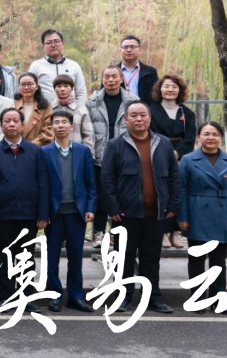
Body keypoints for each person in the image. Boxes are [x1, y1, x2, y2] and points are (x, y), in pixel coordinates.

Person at [101, 100, 181, 314]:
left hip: (156, 214)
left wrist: (173, 204)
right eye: (134, 115)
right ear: (126, 119)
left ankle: (154, 298)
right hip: (125, 215)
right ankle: (123, 297)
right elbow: (107, 179)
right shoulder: (115, 145)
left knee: (151, 259)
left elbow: (174, 176)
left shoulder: (163, 143)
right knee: (123, 258)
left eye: (143, 115)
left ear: (149, 118)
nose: (139, 119)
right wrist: (112, 207)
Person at [178, 121, 227, 315]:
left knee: (218, 262)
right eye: (206, 134)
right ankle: (198, 300)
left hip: (223, 216)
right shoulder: (188, 160)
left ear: (221, 138)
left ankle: (217, 300)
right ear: (198, 137)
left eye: (215, 134)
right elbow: (181, 191)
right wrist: (182, 216)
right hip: (196, 214)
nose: (210, 138)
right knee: (196, 260)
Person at [0, 108, 49, 312]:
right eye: (7, 121)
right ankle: (5, 297)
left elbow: (43, 183)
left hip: (29, 214)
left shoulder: (35, 151)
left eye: (16, 121)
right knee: (5, 257)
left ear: (22, 126)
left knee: (27, 257)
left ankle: (27, 297)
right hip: (4, 215)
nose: (12, 124)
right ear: (1, 125)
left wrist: (42, 214)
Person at [42, 110, 96, 313]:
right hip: (53, 214)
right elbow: (41, 185)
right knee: (52, 257)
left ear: (72, 126)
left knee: (76, 256)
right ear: (51, 127)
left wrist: (90, 207)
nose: (61, 125)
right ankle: (54, 295)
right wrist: (43, 213)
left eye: (64, 122)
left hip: (76, 213)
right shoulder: (44, 152)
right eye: (56, 122)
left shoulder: (83, 151)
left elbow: (91, 183)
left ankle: (76, 296)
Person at [87, 65, 139, 248]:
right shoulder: (92, 102)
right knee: (102, 196)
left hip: (124, 155)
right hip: (100, 155)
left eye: (114, 76)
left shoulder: (132, 101)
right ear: (102, 79)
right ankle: (99, 234)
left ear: (121, 79)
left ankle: (119, 234)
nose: (110, 80)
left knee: (122, 195)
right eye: (107, 76)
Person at [149, 72, 197, 250]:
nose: (170, 90)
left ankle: (175, 232)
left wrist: (178, 153)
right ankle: (161, 232)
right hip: (157, 154)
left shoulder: (187, 113)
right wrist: (167, 153)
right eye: (166, 86)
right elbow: (151, 133)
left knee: (178, 192)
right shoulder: (151, 110)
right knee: (160, 193)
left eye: (174, 87)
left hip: (181, 157)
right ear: (160, 89)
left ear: (180, 90)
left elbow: (190, 136)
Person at [28, 29, 87, 105]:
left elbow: (81, 93)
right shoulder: (36, 66)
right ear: (43, 46)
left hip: (71, 110)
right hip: (46, 110)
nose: (53, 45)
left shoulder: (74, 65)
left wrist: (79, 109)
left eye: (56, 41)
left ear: (62, 44)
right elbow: (30, 92)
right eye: (49, 43)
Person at [51, 75, 94, 148]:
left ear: (72, 89)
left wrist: (88, 152)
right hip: (53, 152)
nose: (62, 89)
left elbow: (88, 134)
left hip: (77, 151)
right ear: (54, 89)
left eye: (66, 86)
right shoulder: (49, 109)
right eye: (59, 86)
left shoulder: (81, 109)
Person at [14, 72, 53, 146]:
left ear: (36, 87)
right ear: (19, 87)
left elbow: (48, 131)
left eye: (30, 84)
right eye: (23, 84)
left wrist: (30, 146)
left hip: (38, 148)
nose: (26, 87)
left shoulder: (45, 107)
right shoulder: (12, 105)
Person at [119, 34, 159, 105]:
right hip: (119, 111)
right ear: (120, 50)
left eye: (132, 47)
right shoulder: (111, 72)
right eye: (125, 47)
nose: (129, 50)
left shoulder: (150, 72)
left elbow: (157, 96)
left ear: (140, 49)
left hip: (144, 110)